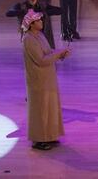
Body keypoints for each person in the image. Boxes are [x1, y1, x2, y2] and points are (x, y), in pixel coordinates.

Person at [21, 10, 69, 151]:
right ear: (31, 24)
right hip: (38, 80)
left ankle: (50, 135)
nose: (41, 21)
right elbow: (41, 61)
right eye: (38, 20)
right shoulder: (28, 39)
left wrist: (61, 55)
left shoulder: (40, 35)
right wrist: (58, 54)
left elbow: (48, 53)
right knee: (40, 109)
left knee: (50, 107)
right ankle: (39, 140)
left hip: (47, 77)